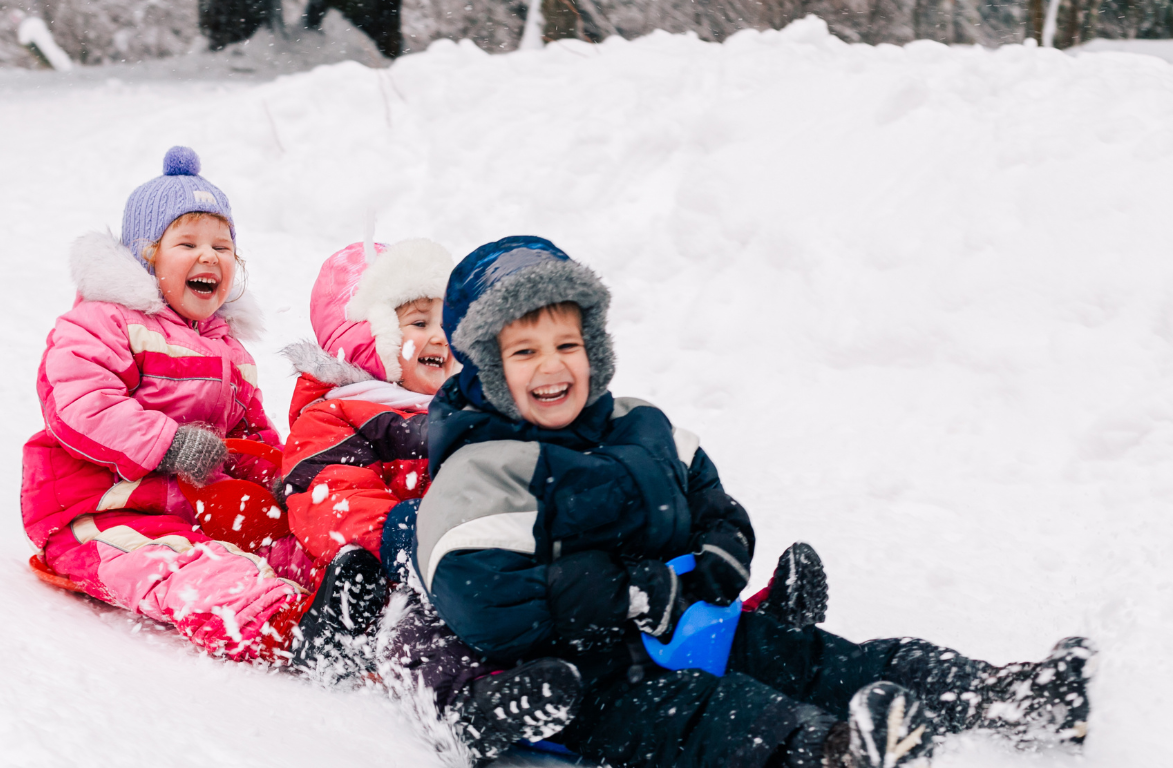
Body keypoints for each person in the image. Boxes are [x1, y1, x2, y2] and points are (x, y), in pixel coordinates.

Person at [415, 236, 1093, 768]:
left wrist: (722, 547)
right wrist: (621, 590)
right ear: (486, 369)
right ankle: (834, 755)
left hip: (701, 626)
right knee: (721, 717)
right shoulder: (481, 469)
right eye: (524, 351)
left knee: (825, 659)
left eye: (568, 343)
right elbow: (482, 599)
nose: (553, 366)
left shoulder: (642, 424)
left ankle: (1004, 696)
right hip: (596, 677)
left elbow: (714, 501)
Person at [20, 147, 382, 665]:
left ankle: (365, 606)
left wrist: (282, 478)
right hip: (102, 512)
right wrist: (167, 443)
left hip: (197, 506)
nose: (209, 256)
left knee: (287, 542)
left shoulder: (227, 348)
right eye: (187, 242)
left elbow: (250, 433)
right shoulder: (104, 321)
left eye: (223, 246)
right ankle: (292, 629)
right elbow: (81, 404)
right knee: (190, 569)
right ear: (147, 256)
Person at [276, 240, 585, 762]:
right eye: (417, 322)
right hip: (402, 569)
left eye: (447, 320)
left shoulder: (476, 410)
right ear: (367, 338)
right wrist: (402, 533)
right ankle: (464, 708)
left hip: (489, 554)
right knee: (414, 632)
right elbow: (327, 495)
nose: (438, 334)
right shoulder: (337, 412)